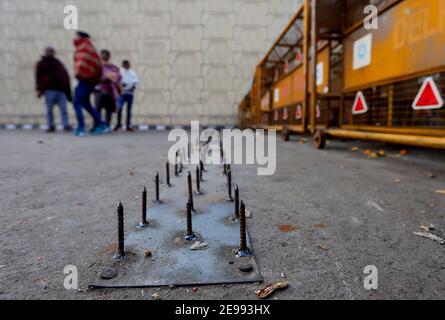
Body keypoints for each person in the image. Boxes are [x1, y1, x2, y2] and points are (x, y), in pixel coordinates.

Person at [72, 31, 109, 137]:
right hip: (91, 80)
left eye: (77, 36)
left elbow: (81, 63)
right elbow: (96, 65)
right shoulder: (90, 48)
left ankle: (81, 128)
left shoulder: (84, 48)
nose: (75, 38)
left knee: (77, 102)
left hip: (84, 79)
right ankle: (101, 124)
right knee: (85, 103)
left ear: (82, 37)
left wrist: (79, 74)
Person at [35, 46, 72, 133]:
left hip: (61, 91)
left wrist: (68, 91)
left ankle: (65, 125)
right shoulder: (41, 64)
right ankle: (51, 125)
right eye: (48, 51)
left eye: (51, 52)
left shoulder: (58, 63)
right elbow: (38, 77)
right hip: (49, 91)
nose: (50, 53)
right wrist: (39, 89)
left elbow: (65, 76)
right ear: (45, 52)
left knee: (64, 110)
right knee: (49, 110)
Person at [97, 50, 121, 127]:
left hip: (101, 90)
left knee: (99, 109)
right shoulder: (114, 68)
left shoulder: (98, 67)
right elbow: (118, 79)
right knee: (108, 110)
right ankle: (106, 126)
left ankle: (100, 126)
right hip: (109, 91)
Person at [115, 60, 139, 132]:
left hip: (129, 93)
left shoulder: (132, 73)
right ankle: (118, 124)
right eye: (124, 65)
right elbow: (117, 81)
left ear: (129, 65)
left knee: (128, 110)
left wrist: (132, 87)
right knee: (119, 108)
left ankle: (128, 125)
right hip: (121, 94)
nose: (126, 66)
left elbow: (136, 82)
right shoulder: (120, 72)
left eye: (127, 65)